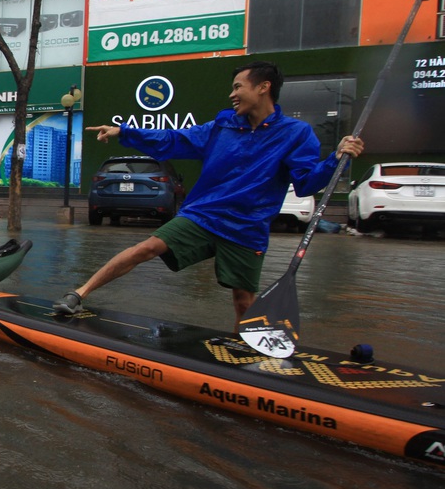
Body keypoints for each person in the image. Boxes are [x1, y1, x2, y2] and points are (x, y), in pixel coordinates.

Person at [53, 60, 364, 330]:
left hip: (247, 227)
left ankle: (244, 360)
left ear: (263, 87)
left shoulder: (296, 134)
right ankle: (79, 293)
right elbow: (172, 139)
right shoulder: (222, 126)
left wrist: (336, 158)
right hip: (204, 215)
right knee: (146, 247)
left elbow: (308, 183)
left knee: (243, 301)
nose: (232, 94)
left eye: (238, 86)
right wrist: (125, 132)